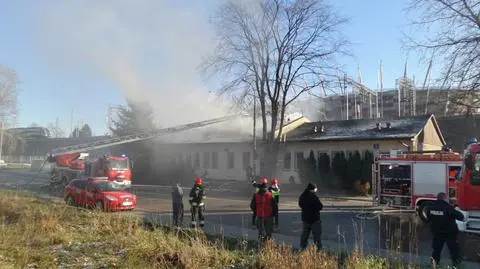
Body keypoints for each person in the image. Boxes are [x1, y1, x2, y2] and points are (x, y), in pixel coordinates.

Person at [425, 192, 465, 268]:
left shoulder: (430, 207)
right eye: (447, 198)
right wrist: (455, 209)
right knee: (454, 250)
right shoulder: (448, 208)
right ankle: (456, 265)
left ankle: (434, 265)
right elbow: (460, 217)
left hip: (437, 233)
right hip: (449, 233)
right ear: (444, 198)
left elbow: (428, 219)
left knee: (436, 250)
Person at [298, 183, 323, 250]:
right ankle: (318, 249)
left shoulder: (302, 196)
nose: (316, 190)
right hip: (315, 220)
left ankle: (302, 247)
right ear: (311, 189)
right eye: (315, 189)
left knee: (304, 235)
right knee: (317, 236)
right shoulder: (314, 197)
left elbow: (300, 204)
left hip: (305, 220)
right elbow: (320, 206)